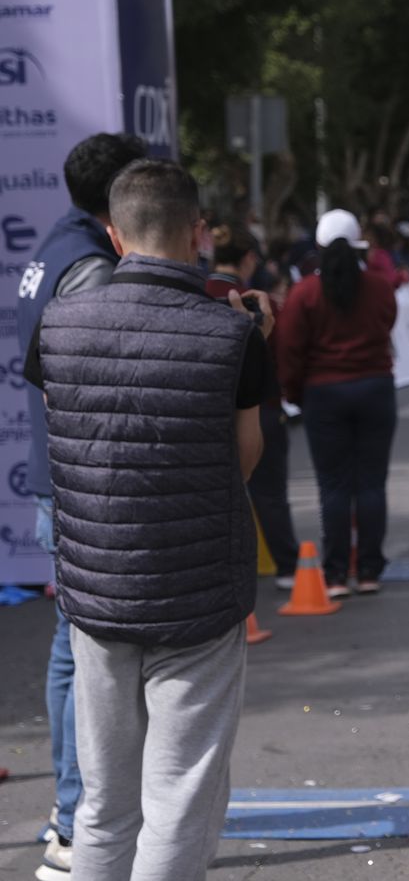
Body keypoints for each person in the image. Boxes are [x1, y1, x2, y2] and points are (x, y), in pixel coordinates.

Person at [24, 158, 273, 881]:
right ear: (199, 232)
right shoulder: (232, 335)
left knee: (104, 802)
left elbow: (66, 438)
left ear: (113, 233)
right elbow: (244, 456)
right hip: (200, 597)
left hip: (97, 594)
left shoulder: (61, 325)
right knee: (179, 800)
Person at [14, 131, 148, 881]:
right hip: (80, 481)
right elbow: (104, 378)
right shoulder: (90, 266)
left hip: (54, 475)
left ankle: (68, 818)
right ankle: (74, 824)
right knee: (87, 658)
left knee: (71, 653)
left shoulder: (53, 246)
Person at [277, 208, 400, 597]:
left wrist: (295, 394)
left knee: (333, 486)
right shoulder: (380, 286)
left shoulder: (305, 293)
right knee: (371, 483)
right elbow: (388, 322)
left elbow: (290, 349)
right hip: (375, 388)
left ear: (318, 244)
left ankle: (333, 575)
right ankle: (368, 570)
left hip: (324, 394)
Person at [207, 221, 299, 592]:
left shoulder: (197, 295)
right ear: (248, 258)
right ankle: (288, 566)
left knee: (212, 493)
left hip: (209, 409)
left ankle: (218, 568)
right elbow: (283, 356)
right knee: (269, 492)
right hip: (260, 407)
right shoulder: (257, 301)